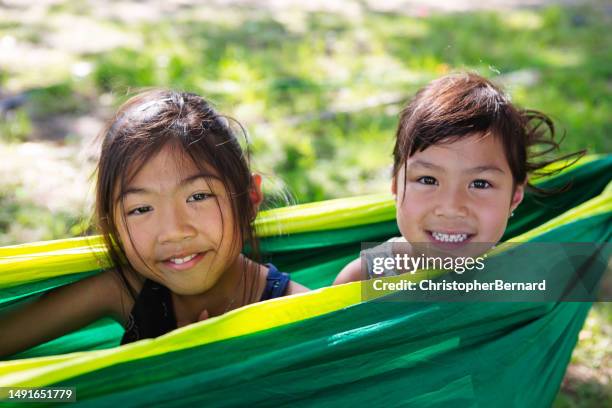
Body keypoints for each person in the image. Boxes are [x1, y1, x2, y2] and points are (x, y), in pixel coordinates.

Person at [0, 89, 308, 356]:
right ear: (113, 223)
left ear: (250, 198)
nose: (173, 231)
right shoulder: (125, 290)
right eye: (141, 209)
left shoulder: (304, 313)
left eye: (198, 196)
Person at [334, 72, 583, 284]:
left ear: (515, 197)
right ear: (395, 186)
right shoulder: (366, 277)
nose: (451, 207)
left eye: (480, 183)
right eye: (428, 180)